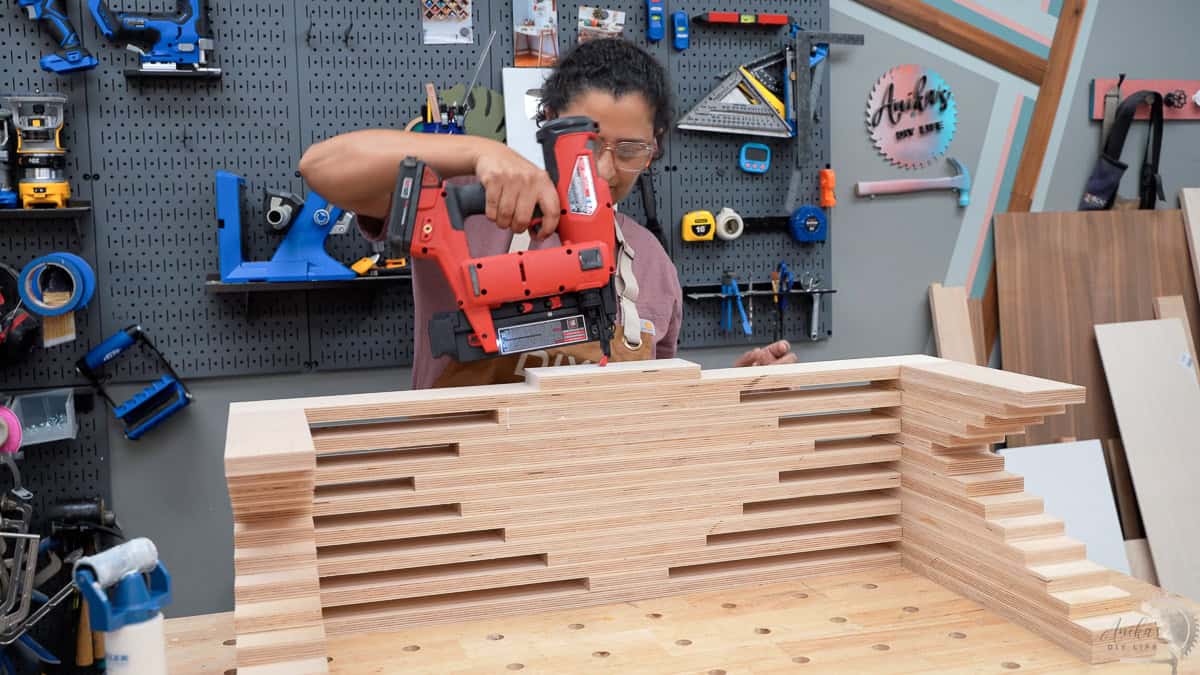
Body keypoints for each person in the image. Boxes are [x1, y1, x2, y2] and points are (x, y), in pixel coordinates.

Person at [300, 39, 797, 389]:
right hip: (460, 500)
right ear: (548, 129)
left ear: (654, 149)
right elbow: (320, 167)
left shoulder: (653, 265)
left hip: (581, 510)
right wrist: (476, 152)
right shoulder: (465, 209)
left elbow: (650, 412)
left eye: (630, 150)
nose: (603, 171)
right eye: (588, 145)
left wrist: (734, 391)